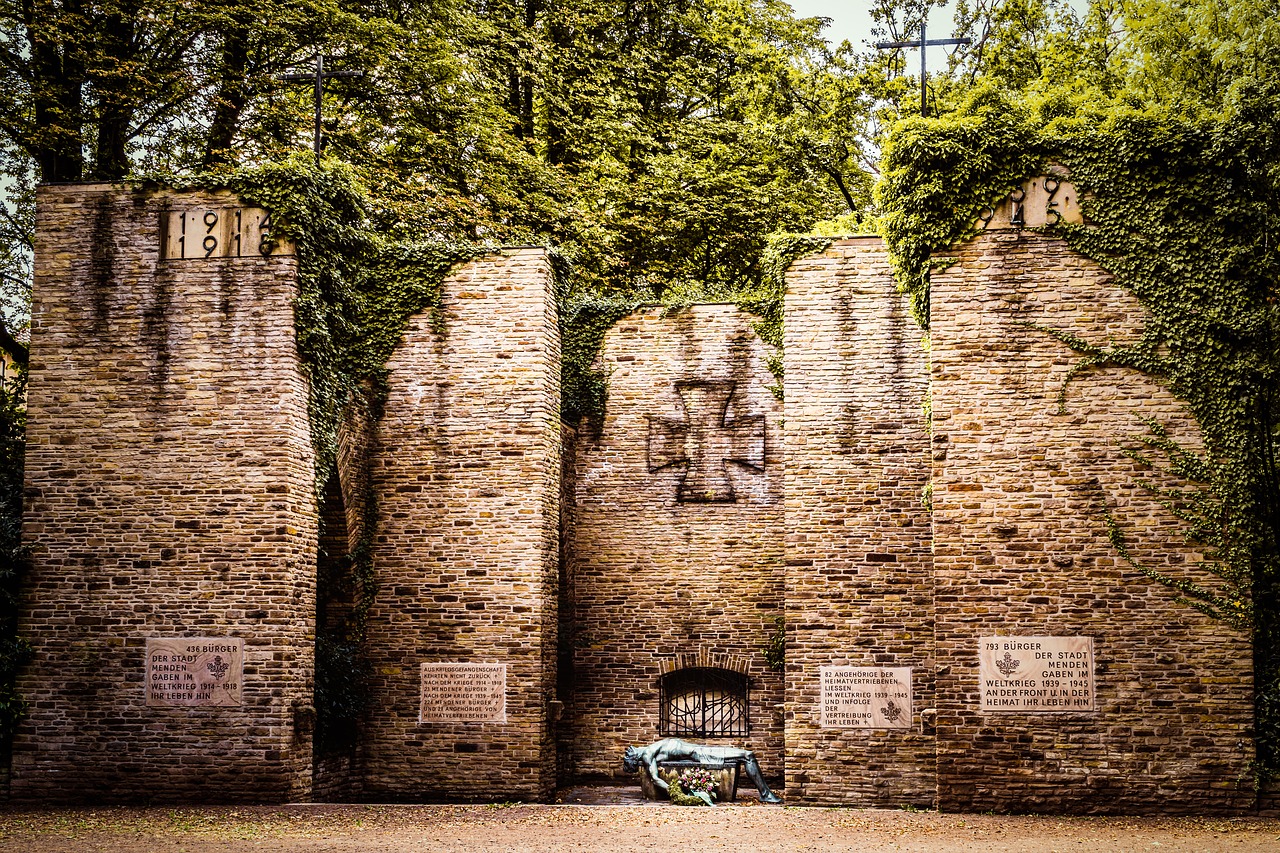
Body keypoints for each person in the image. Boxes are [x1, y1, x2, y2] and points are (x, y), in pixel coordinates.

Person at [622, 737, 783, 803]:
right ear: (636, 758)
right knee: (748, 755)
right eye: (633, 752)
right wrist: (677, 793)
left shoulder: (651, 749)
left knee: (747, 755)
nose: (634, 748)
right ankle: (766, 795)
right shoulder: (648, 755)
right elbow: (655, 778)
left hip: (700, 751)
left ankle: (765, 794)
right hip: (701, 754)